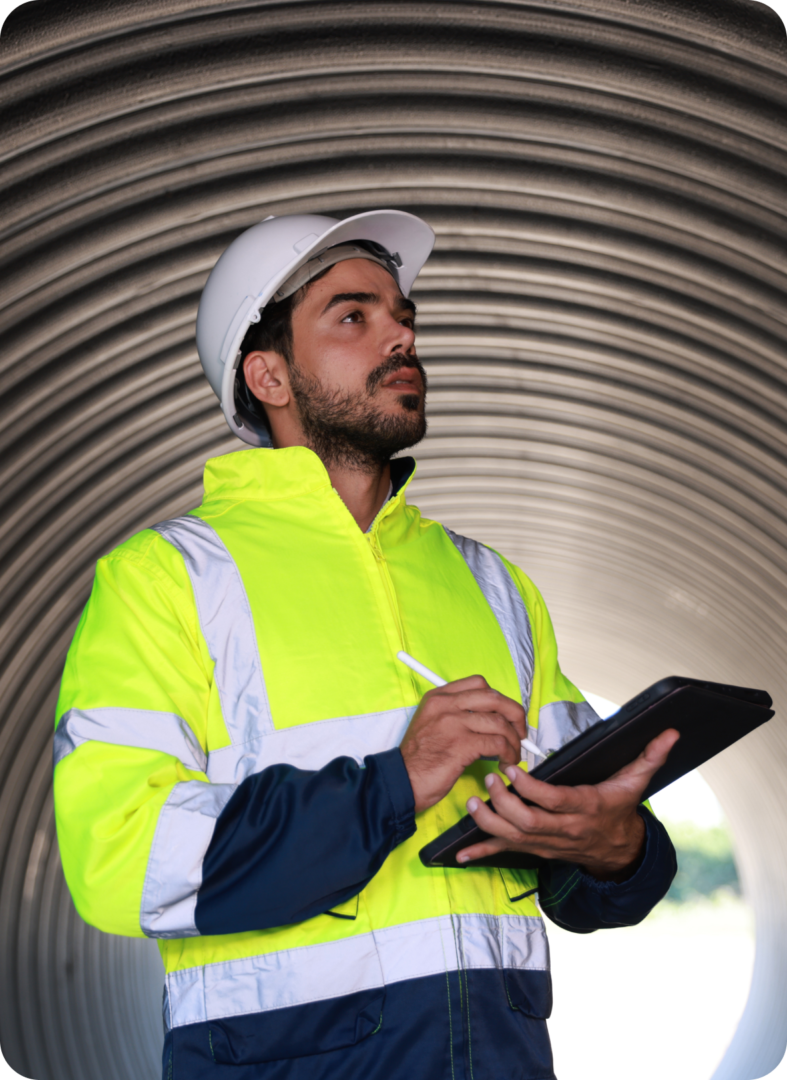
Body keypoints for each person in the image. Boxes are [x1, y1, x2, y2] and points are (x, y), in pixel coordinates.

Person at [53, 209, 678, 1080]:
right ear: (267, 374)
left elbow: (580, 837)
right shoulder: (167, 579)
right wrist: (393, 783)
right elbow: (120, 857)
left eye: (403, 315)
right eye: (354, 316)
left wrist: (618, 848)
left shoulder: (490, 583)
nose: (401, 337)